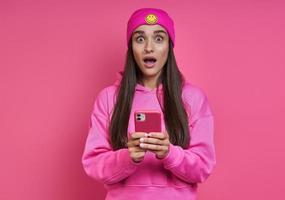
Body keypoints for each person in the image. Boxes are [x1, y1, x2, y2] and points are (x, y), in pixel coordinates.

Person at [81, 7, 216, 200]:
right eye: (140, 39)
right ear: (131, 47)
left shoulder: (193, 98)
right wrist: (128, 157)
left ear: (170, 45)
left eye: (159, 38)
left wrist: (170, 153)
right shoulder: (109, 98)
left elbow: (203, 167)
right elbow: (93, 164)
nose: (149, 48)